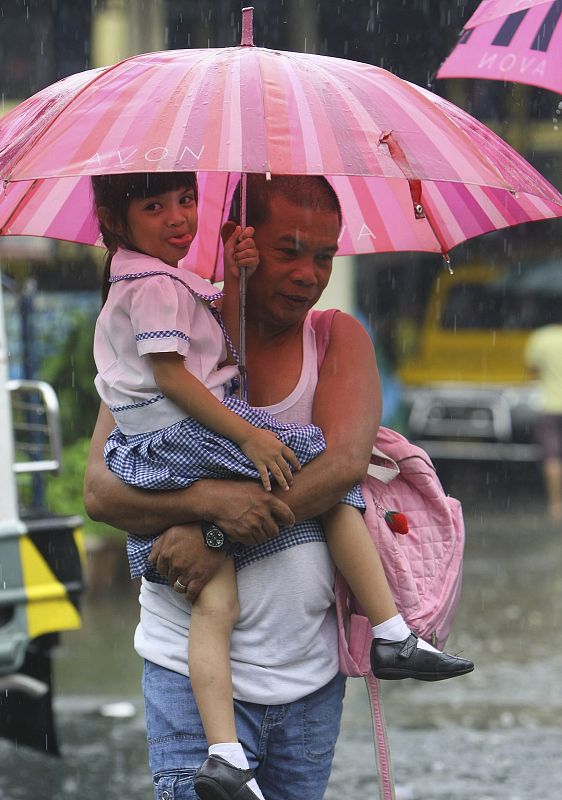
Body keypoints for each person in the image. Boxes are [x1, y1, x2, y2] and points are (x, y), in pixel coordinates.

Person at [85, 174, 473, 800]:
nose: (309, 273)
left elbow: (343, 467)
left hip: (307, 679)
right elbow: (103, 490)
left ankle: (393, 637)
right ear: (242, 241)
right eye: (288, 250)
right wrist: (211, 503)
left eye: (324, 256)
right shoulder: (172, 332)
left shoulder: (336, 338)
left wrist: (217, 534)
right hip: (189, 669)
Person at [524, 318, 562, 521]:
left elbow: (531, 370)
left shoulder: (542, 338)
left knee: (552, 457)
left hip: (549, 406)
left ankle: (556, 506)